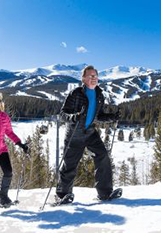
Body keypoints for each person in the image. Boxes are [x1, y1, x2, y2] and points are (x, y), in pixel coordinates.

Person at [56, 65, 121, 203]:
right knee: (69, 165)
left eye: (95, 76)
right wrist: (74, 117)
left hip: (90, 132)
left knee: (103, 156)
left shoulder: (99, 94)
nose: (93, 78)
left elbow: (98, 116)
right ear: (84, 78)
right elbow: (62, 114)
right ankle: (62, 196)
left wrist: (112, 117)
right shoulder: (76, 93)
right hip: (74, 134)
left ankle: (105, 193)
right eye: (90, 76)